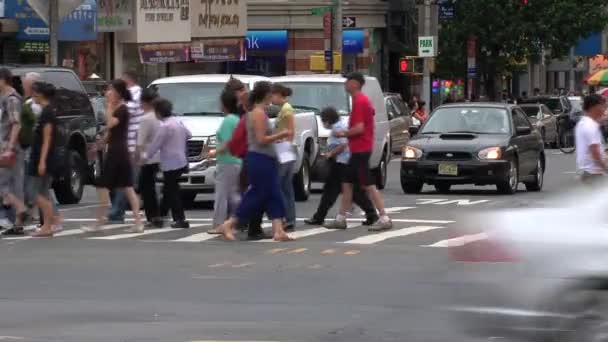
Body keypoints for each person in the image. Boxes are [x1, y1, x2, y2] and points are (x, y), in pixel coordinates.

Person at [219, 81, 293, 242]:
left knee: (274, 194)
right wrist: (281, 135)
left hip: (265, 158)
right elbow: (261, 139)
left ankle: (278, 230)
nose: (272, 97)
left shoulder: (257, 112)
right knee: (256, 194)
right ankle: (230, 223)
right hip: (260, 158)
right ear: (266, 94)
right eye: (271, 93)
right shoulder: (258, 113)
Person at [325, 72, 392, 232]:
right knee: (347, 184)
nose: (345, 84)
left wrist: (343, 134)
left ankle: (384, 218)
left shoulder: (361, 101)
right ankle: (341, 218)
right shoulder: (359, 100)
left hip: (361, 149)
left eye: (348, 81)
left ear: (355, 83)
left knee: (368, 185)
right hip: (357, 149)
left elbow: (360, 128)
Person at [86, 79, 143, 233]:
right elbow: (110, 133)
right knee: (127, 187)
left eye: (110, 90)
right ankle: (136, 221)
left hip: (118, 153)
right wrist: (99, 144)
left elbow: (110, 124)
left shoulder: (122, 109)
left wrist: (109, 106)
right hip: (118, 150)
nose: (107, 93)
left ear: (117, 92)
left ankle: (100, 220)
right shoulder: (119, 108)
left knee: (104, 185)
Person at [305, 107, 378, 226]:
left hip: (342, 163)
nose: (323, 124)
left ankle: (319, 217)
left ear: (328, 120)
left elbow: (344, 144)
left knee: (332, 191)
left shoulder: (337, 128)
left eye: (323, 121)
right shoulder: (341, 125)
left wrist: (330, 154)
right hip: (347, 162)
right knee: (354, 192)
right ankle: (371, 214)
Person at [224, 77, 268, 240]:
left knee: (254, 192)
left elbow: (235, 141)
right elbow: (260, 139)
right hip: (255, 158)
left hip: (249, 158)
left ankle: (244, 223)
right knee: (256, 193)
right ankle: (245, 224)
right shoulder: (252, 117)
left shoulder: (246, 117)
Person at [144, 98, 191, 229]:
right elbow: (189, 135)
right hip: (181, 160)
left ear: (159, 113)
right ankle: (161, 215)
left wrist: (145, 157)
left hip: (170, 162)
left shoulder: (165, 126)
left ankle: (180, 219)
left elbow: (155, 145)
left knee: (172, 191)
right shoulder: (178, 122)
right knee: (169, 189)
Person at [107, 71, 144, 223]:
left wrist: (111, 104)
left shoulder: (135, 94)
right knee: (123, 182)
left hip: (129, 144)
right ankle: (119, 211)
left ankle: (117, 211)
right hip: (124, 143)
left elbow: (125, 112)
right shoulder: (129, 97)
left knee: (124, 182)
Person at [28, 82, 61, 237]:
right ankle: (48, 225)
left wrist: (42, 161)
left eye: (34, 92)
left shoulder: (47, 113)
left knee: (34, 192)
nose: (32, 95)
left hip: (43, 157)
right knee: (42, 192)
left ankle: (50, 223)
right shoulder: (45, 111)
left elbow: (47, 139)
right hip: (40, 156)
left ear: (40, 94)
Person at [207, 89, 242, 234]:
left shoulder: (228, 120)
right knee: (233, 195)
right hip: (236, 160)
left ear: (225, 104)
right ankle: (237, 220)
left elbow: (227, 142)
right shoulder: (236, 119)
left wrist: (215, 152)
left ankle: (219, 224)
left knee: (222, 195)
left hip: (227, 161)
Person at [0, 68, 28, 236]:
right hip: (7, 146)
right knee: (12, 184)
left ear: (3, 80)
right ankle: (17, 222)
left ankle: (20, 208)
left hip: (9, 147)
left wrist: (10, 147)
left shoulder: (11, 99)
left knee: (6, 184)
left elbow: (16, 124)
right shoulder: (6, 98)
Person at [271, 83, 297, 231]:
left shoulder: (286, 110)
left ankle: (285, 217)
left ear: (280, 95)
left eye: (273, 95)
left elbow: (291, 130)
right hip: (285, 150)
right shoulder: (284, 109)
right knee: (286, 187)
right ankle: (290, 218)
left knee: (281, 186)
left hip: (283, 150)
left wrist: (282, 141)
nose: (272, 98)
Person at [136, 88, 163, 228]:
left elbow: (140, 142)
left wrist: (140, 158)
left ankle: (152, 217)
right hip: (157, 156)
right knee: (149, 188)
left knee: (146, 189)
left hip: (147, 157)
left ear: (144, 102)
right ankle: (155, 215)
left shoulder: (146, 119)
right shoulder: (158, 117)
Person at [575, 94, 608, 184]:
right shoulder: (590, 126)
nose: (604, 109)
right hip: (594, 174)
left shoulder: (584, 122)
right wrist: (605, 168)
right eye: (602, 106)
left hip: (588, 172)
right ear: (594, 107)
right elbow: (595, 153)